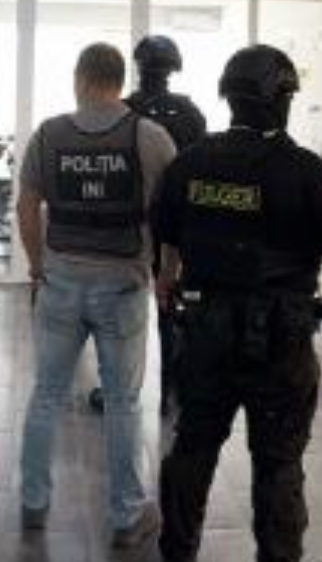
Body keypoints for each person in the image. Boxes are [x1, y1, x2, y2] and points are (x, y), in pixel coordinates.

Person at [154, 45, 322, 562]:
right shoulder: (305, 171)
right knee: (278, 457)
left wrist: (169, 276)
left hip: (204, 329)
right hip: (279, 337)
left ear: (230, 98)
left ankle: (177, 553)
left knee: (194, 441)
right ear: (283, 100)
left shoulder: (192, 163)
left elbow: (165, 227)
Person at [16, 43, 177, 545]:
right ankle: (127, 516)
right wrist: (168, 272)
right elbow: (172, 217)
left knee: (46, 393)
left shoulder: (48, 134)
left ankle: (33, 502)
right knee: (124, 403)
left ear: (81, 78)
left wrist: (38, 266)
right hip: (123, 286)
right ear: (119, 80)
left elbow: (25, 206)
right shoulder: (150, 137)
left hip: (61, 281)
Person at [88, 34, 209, 416]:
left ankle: (118, 387)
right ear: (174, 68)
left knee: (120, 311)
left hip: (129, 226)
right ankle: (174, 390)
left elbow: (105, 171)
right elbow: (199, 169)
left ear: (138, 66)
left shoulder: (122, 110)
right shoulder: (190, 112)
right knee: (173, 306)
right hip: (177, 224)